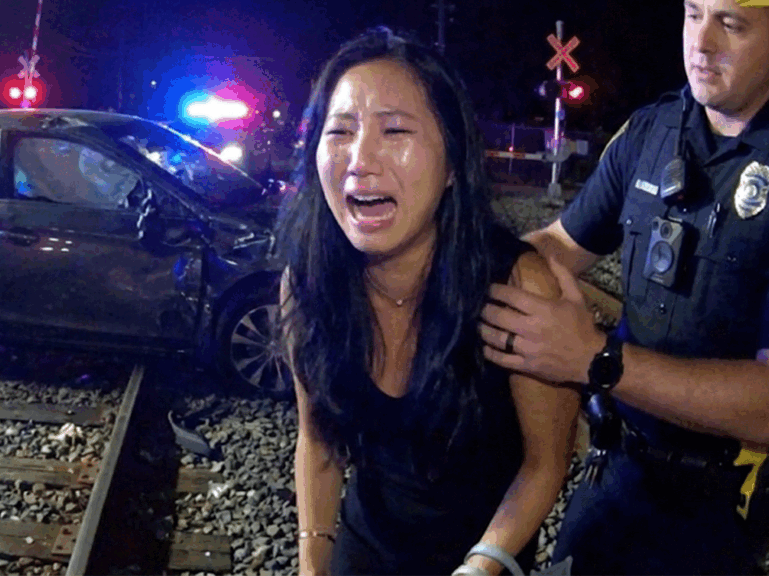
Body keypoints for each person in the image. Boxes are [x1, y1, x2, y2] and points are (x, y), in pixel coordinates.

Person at [275, 27, 579, 576]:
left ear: (453, 166)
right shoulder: (309, 281)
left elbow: (545, 463)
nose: (359, 159)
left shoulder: (518, 285)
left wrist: (484, 563)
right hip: (363, 550)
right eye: (339, 131)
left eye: (395, 131)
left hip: (482, 558)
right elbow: (317, 440)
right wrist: (313, 559)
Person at [478, 0, 769, 572]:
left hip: (726, 512)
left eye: (730, 23)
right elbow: (559, 246)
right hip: (615, 470)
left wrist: (598, 360)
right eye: (691, 14)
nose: (701, 42)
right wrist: (455, 271)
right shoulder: (650, 131)